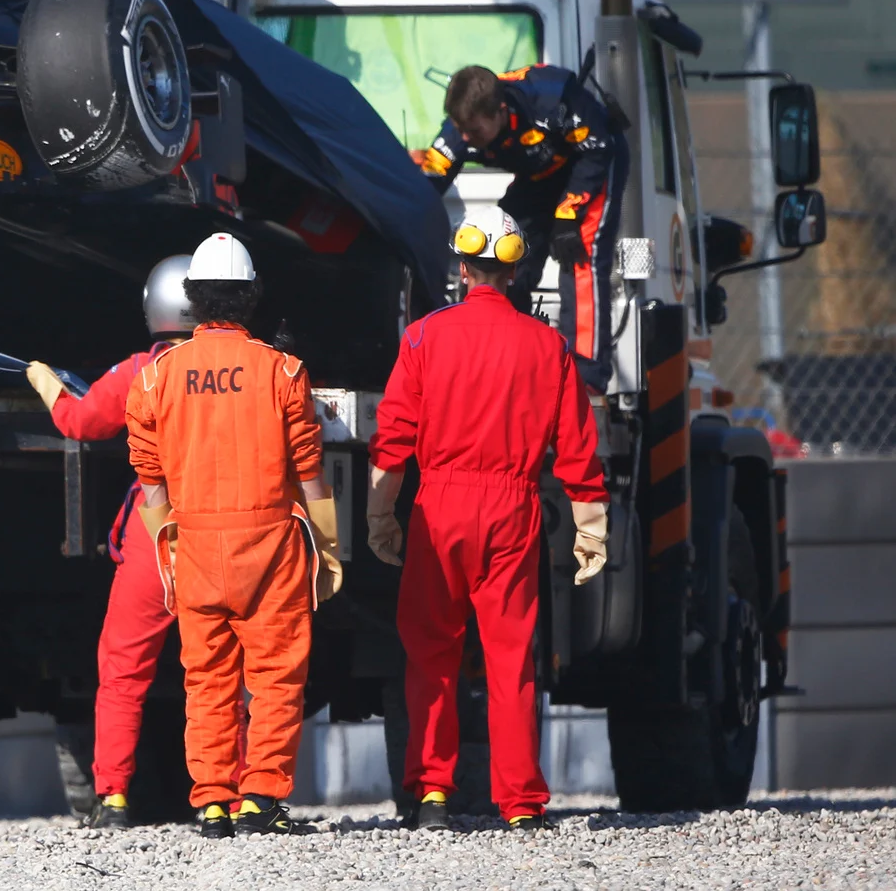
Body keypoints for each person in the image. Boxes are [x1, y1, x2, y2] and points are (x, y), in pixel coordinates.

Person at [365, 206, 610, 833]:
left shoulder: (424, 337)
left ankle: (432, 794)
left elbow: (393, 437)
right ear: (515, 271)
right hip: (513, 508)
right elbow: (576, 446)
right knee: (510, 657)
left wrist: (380, 515)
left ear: (462, 268)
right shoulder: (547, 346)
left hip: (440, 508)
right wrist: (591, 527)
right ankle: (521, 804)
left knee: (431, 653)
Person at [124, 233, 343, 839]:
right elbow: (309, 469)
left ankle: (214, 802)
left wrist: (170, 545)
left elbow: (149, 478)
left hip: (194, 544)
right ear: (251, 297)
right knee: (274, 676)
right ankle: (261, 799)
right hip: (271, 546)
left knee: (206, 679)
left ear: (192, 297)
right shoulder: (283, 370)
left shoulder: (155, 377)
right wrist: (328, 546)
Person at [21, 255, 192, 830]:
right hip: (225, 532)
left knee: (123, 669)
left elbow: (82, 423)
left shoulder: (140, 370)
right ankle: (231, 796)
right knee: (220, 669)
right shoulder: (251, 368)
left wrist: (50, 386)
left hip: (154, 530)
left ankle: (113, 796)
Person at [415, 64, 628, 394]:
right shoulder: (460, 127)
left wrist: (568, 213)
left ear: (500, 112)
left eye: (474, 131)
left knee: (579, 257)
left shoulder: (552, 101)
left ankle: (586, 375)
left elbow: (599, 147)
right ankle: (505, 358)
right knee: (501, 252)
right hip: (539, 174)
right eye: (460, 129)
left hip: (592, 162)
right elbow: (428, 182)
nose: (465, 138)